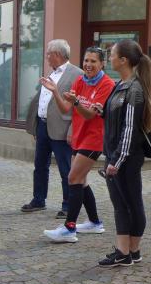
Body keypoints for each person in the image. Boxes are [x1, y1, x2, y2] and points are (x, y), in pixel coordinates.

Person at [43, 47, 115, 242]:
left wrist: (76, 103)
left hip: (94, 138)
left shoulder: (107, 84)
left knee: (73, 177)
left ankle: (69, 228)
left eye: (93, 61)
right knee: (81, 181)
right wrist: (55, 92)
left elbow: (90, 114)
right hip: (79, 136)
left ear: (102, 64)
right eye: (86, 60)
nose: (88, 65)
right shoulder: (80, 80)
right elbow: (65, 109)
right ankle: (94, 223)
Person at [97, 39, 151, 267]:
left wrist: (117, 161)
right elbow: (119, 118)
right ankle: (130, 251)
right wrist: (102, 111)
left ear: (123, 60)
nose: (109, 57)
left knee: (129, 203)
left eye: (112, 54)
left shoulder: (133, 89)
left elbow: (130, 129)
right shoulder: (122, 84)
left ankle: (125, 252)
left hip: (125, 159)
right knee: (123, 203)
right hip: (117, 155)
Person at [22, 40, 83, 218]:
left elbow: (78, 107)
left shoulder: (77, 74)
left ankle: (68, 205)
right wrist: (36, 125)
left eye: (49, 53)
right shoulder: (52, 73)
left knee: (66, 169)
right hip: (43, 126)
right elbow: (43, 100)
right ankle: (38, 200)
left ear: (57, 54)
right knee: (40, 166)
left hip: (62, 128)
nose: (47, 57)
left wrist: (72, 129)